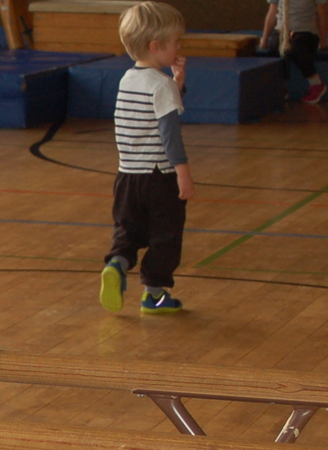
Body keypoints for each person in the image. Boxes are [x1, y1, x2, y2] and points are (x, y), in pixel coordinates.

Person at [100, 2, 192, 315]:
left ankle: (117, 263)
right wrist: (182, 172)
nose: (179, 46)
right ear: (156, 47)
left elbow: (149, 114)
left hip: (127, 176)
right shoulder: (161, 85)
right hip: (159, 176)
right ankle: (154, 295)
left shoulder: (128, 80)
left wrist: (177, 82)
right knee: (166, 235)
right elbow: (169, 135)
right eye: (175, 42)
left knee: (128, 231)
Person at [259, 0, 328, 103]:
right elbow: (272, 13)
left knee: (296, 48)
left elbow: (321, 17)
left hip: (306, 32)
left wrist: (323, 42)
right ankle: (281, 86)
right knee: (275, 48)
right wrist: (264, 39)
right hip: (283, 32)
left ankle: (316, 83)